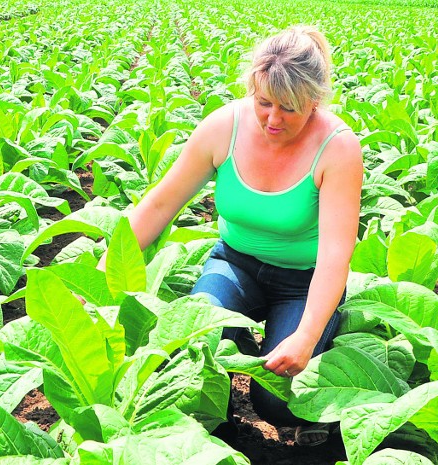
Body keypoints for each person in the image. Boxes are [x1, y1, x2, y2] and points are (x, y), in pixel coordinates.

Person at [98, 26, 363, 446]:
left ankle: (322, 344)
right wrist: (97, 276)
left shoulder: (338, 148)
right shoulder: (224, 127)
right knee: (193, 354)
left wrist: (306, 337)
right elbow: (158, 206)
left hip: (304, 281)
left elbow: (335, 254)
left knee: (279, 398)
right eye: (264, 103)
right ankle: (226, 388)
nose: (273, 119)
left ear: (315, 101)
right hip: (235, 264)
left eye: (290, 109)